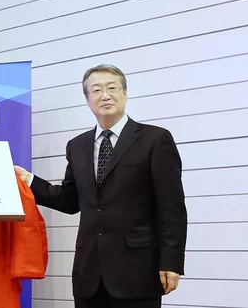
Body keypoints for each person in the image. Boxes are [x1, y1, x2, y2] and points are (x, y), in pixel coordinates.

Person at [14, 64, 187, 308]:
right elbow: (71, 200)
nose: (104, 95)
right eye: (96, 90)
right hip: (89, 273)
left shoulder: (155, 140)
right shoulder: (77, 146)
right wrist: (30, 182)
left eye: (111, 88)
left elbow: (172, 208)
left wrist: (171, 262)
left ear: (125, 93)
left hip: (137, 271)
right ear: (87, 100)